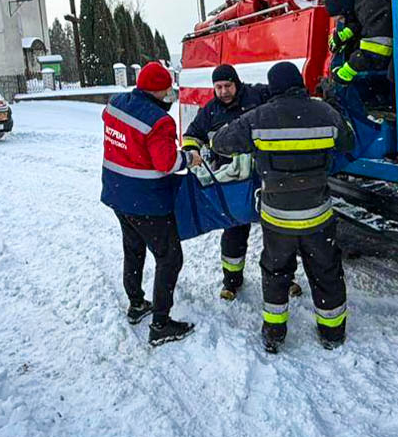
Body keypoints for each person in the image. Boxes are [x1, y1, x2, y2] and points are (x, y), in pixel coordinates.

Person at [212, 61, 355, 353]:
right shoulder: (324, 113)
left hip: (277, 218)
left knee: (276, 273)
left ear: (273, 87)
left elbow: (221, 144)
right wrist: (332, 108)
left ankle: (274, 334)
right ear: (300, 83)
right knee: (326, 270)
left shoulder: (259, 118)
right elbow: (348, 141)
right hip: (318, 215)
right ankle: (332, 333)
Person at [181, 64, 302, 301]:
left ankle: (286, 279)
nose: (223, 91)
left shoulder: (257, 95)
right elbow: (191, 134)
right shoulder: (210, 111)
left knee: (277, 231)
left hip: (265, 177)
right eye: (218, 87)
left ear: (237, 83)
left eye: (227, 85)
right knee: (234, 230)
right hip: (234, 182)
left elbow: (284, 98)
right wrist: (191, 150)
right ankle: (232, 281)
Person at [100, 61, 195, 346]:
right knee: (170, 257)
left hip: (117, 194)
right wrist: (189, 158)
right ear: (156, 92)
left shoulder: (116, 104)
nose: (169, 96)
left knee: (133, 247)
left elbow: (128, 142)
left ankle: (137, 303)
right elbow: (166, 162)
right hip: (147, 201)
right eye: (167, 92)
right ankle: (161, 324)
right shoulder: (159, 121)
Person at [324, 0, 393, 84]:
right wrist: (346, 34)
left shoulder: (370, 1)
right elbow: (360, 22)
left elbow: (377, 49)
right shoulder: (363, 0)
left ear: (345, 8)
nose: (343, 22)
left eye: (341, 18)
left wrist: (347, 70)